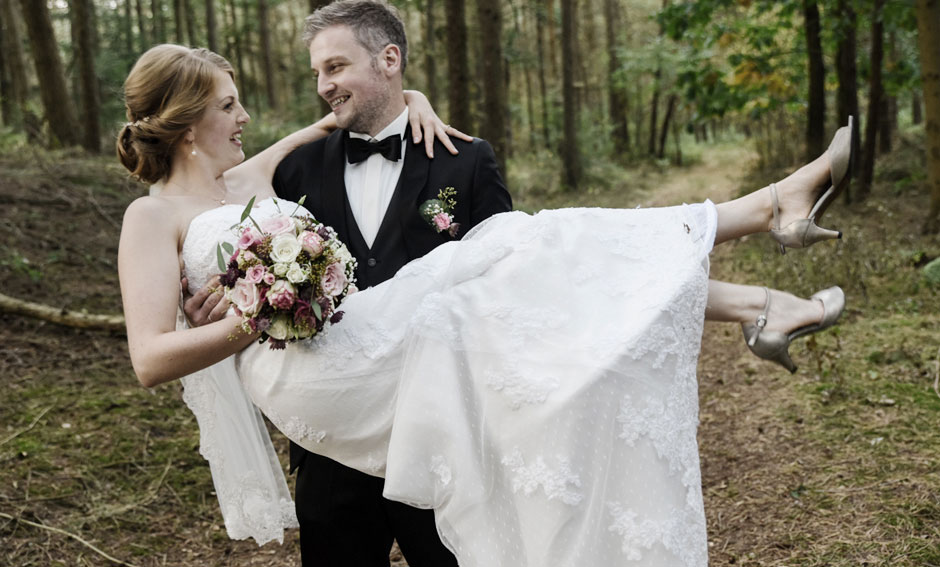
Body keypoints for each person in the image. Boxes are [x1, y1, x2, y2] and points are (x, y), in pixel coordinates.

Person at [117, 40, 852, 567]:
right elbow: (150, 358)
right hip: (311, 376)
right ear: (187, 123)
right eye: (228, 103)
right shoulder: (150, 218)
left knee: (515, 248)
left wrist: (412, 97)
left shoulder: (244, 179)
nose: (244, 115)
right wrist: (262, 310)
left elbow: (337, 119)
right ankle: (762, 240)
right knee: (483, 285)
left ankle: (763, 258)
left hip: (355, 339)